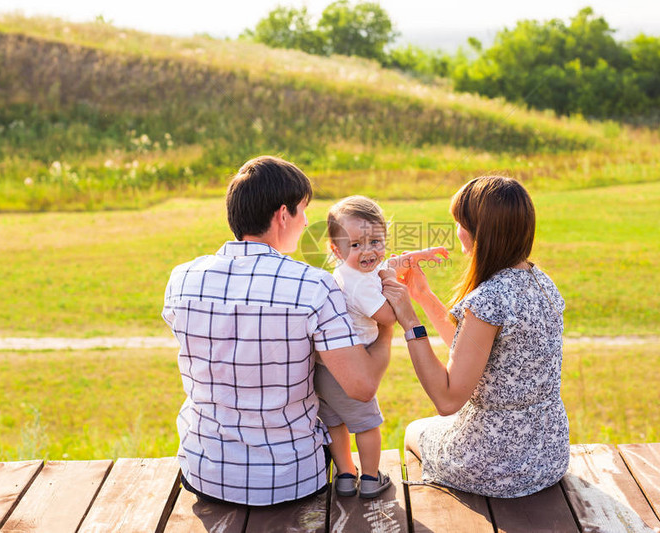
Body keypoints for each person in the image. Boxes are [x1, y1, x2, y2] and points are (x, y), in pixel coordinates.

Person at [162, 156, 392, 507]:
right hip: (291, 479)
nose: (306, 222)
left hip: (205, 471)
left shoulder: (182, 279)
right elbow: (361, 388)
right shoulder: (313, 285)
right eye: (303, 211)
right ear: (283, 215)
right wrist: (387, 328)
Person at [380, 176, 570, 498]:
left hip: (495, 465)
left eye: (460, 223)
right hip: (549, 454)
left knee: (414, 430)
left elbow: (448, 399)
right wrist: (423, 295)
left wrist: (408, 317)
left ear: (479, 231)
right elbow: (471, 347)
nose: (457, 232)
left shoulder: (489, 298)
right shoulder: (542, 283)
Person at [316, 195, 448, 498]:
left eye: (376, 241)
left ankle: (346, 475)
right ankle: (372, 477)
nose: (369, 252)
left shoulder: (355, 269)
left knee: (335, 423)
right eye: (357, 245)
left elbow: (388, 262)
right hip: (353, 365)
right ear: (337, 250)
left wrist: (418, 255)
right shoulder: (360, 284)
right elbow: (388, 317)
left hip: (327, 366)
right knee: (366, 425)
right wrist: (393, 283)